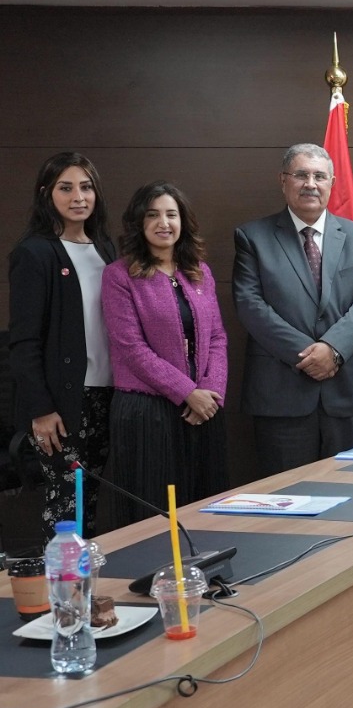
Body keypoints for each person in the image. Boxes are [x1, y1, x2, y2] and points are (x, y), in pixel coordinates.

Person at [233, 144, 353, 476]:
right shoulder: (252, 237)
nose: (310, 184)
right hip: (281, 391)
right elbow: (250, 304)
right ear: (283, 180)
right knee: (288, 493)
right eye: (301, 175)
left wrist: (333, 349)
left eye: (319, 176)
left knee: (351, 489)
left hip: (347, 389)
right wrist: (308, 354)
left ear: (332, 183)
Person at [98, 183, 229, 531]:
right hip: (147, 413)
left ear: (183, 221)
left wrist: (211, 393)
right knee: (153, 521)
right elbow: (131, 347)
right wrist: (188, 392)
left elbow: (217, 337)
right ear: (138, 222)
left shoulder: (200, 271)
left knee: (205, 513)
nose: (164, 223)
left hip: (204, 410)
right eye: (153, 215)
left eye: (172, 214)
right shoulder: (119, 275)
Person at [7, 152, 115, 546]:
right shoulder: (34, 253)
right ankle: (61, 584)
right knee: (67, 505)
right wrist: (41, 409)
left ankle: (86, 580)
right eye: (65, 188)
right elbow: (24, 341)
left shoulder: (106, 249)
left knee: (92, 501)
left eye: (86, 187)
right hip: (62, 403)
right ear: (46, 194)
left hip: (108, 393)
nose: (78, 197)